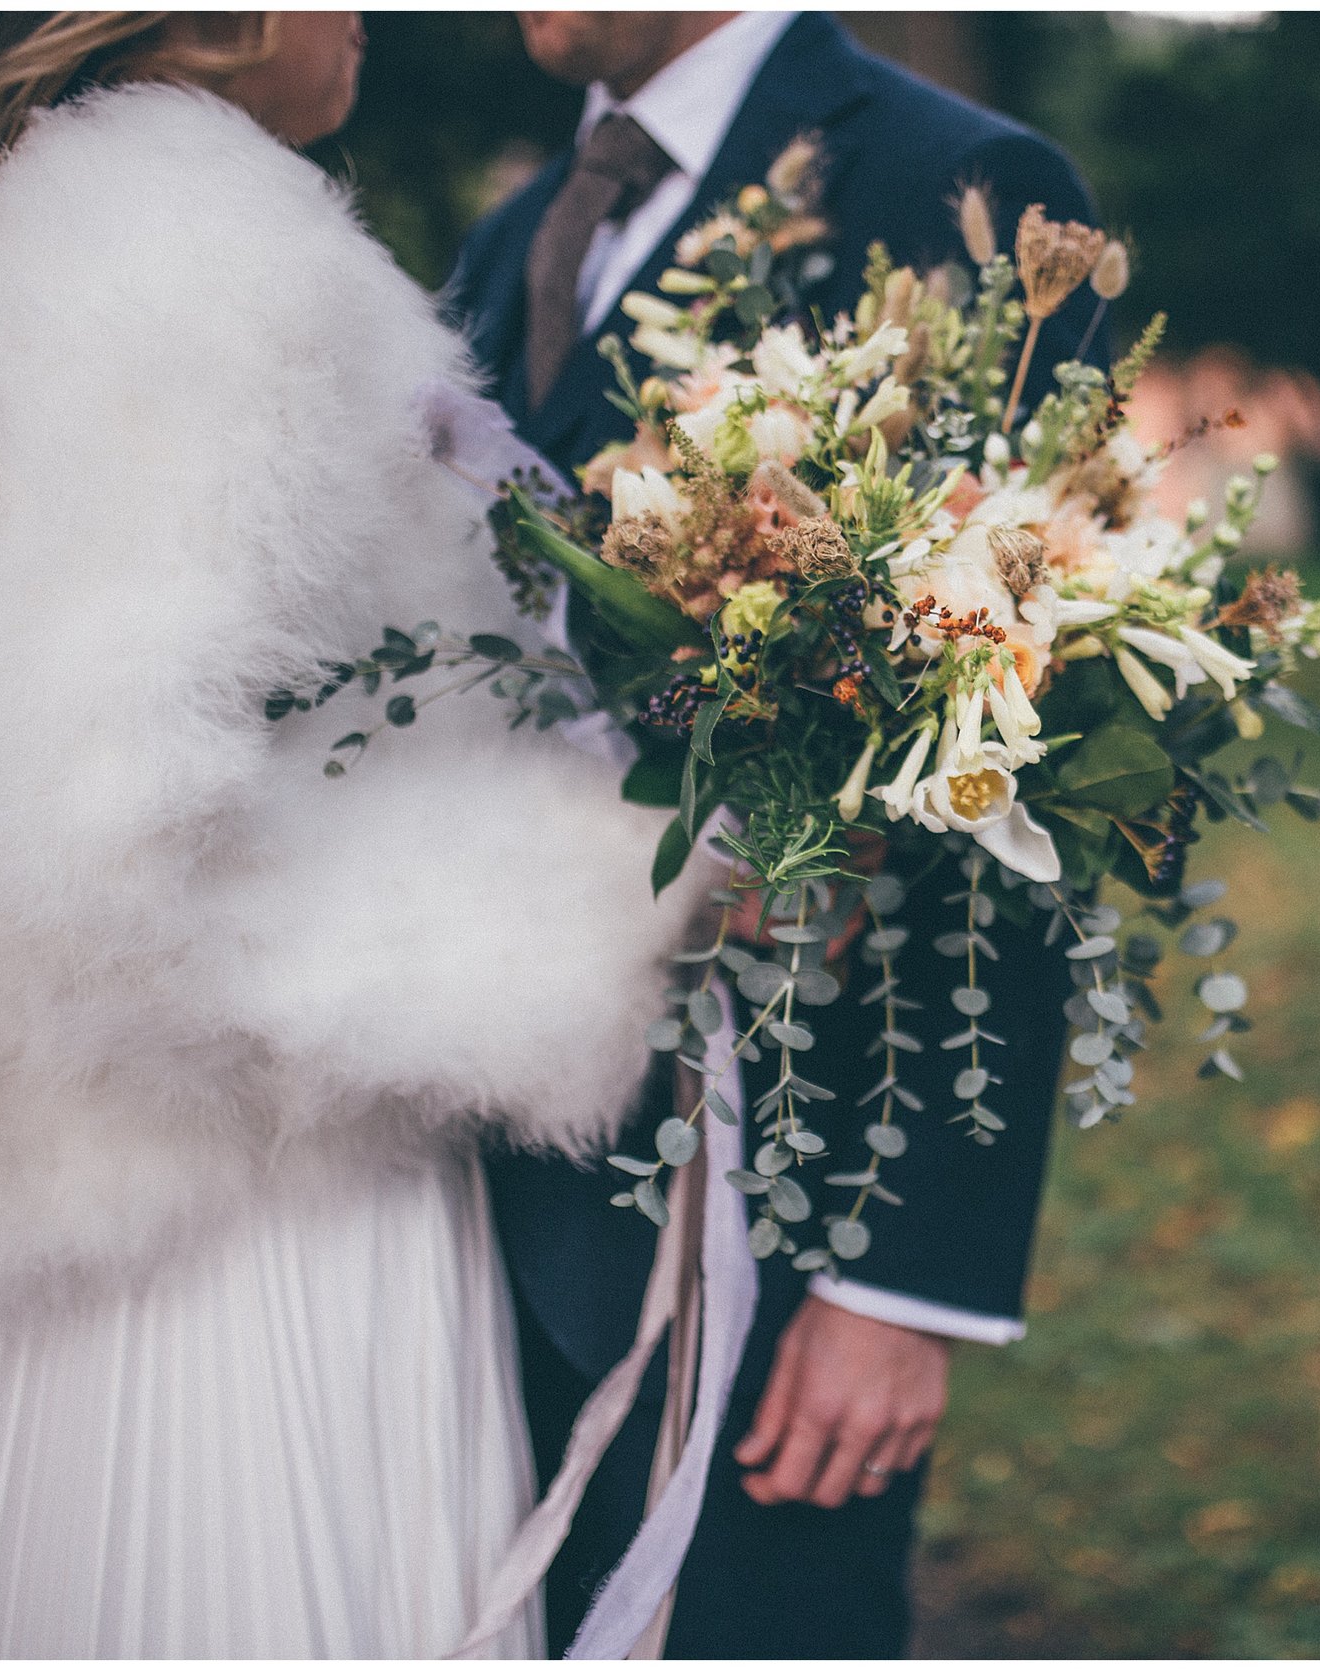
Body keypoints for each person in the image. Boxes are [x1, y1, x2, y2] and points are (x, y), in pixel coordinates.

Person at [0, 12, 716, 1657]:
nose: (368, 13)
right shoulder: (198, 248)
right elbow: (91, 852)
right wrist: (605, 914)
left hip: (105, 1199)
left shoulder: (26, 231)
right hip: (251, 1227)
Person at [446, 11, 1105, 1656]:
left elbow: (1025, 735)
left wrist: (908, 1282)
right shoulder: (519, 234)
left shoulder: (963, 186)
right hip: (493, 1173)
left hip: (791, 1198)